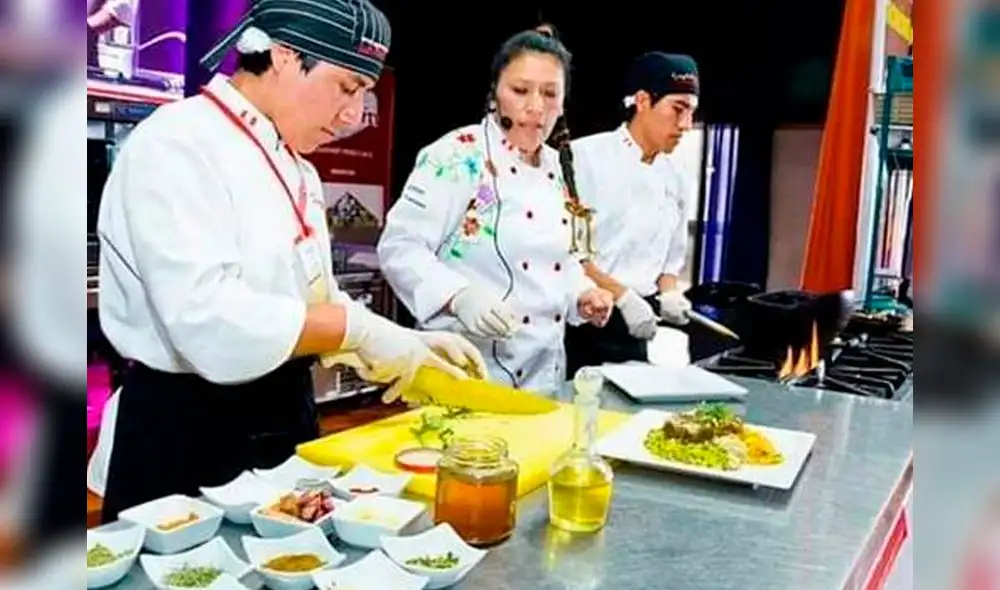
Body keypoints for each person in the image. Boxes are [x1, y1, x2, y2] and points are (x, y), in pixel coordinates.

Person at [96, 0, 485, 522]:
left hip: (281, 416)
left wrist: (396, 340)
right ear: (282, 56)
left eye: (365, 94)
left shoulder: (299, 169)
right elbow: (205, 317)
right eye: (347, 87)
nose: (353, 116)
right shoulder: (178, 142)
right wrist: (358, 332)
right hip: (188, 429)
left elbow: (308, 292)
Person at [377, 30, 614, 393]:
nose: (536, 106)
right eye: (521, 90)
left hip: (545, 374)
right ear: (495, 94)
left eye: (550, 93)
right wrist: (458, 296)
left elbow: (558, 259)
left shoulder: (560, 166)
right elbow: (400, 247)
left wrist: (581, 293)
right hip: (466, 369)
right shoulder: (457, 155)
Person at [562, 52, 700, 375]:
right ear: (641, 101)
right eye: (677, 110)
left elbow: (671, 259)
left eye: (691, 112)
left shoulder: (678, 176)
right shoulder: (583, 158)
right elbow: (572, 252)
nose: (686, 125)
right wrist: (622, 296)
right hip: (586, 316)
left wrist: (669, 293)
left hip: (639, 324)